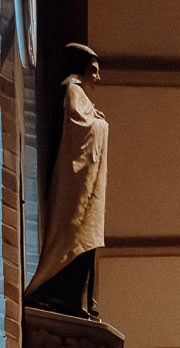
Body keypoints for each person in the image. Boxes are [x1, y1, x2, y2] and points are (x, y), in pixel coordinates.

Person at [25, 45, 108, 319]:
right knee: (74, 236)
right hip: (76, 184)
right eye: (93, 70)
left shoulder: (79, 93)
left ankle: (73, 299)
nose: (97, 77)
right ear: (80, 67)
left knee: (85, 240)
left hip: (84, 184)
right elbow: (78, 125)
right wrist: (100, 123)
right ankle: (61, 296)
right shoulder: (72, 88)